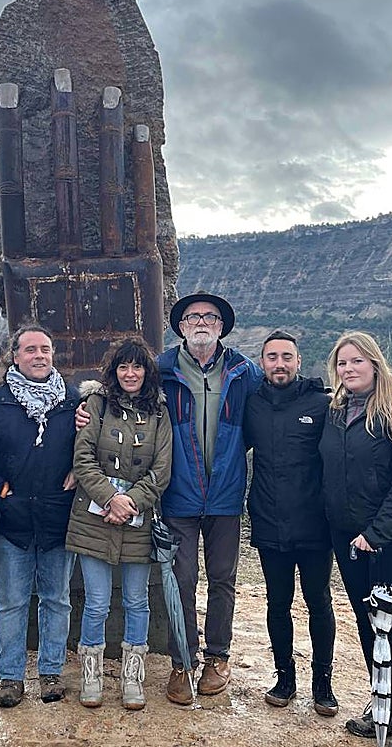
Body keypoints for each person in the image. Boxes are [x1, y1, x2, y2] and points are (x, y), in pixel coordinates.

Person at [318, 331, 392, 747]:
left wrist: (376, 533)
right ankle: (379, 702)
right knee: (369, 626)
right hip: (348, 539)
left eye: (357, 362)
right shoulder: (335, 411)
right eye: (342, 363)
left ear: (376, 365)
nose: (349, 369)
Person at [157, 290, 261, 704]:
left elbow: (281, 396)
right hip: (177, 496)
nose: (201, 322)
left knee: (223, 580)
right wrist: (86, 406)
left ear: (221, 327)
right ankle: (182, 661)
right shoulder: (161, 370)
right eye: (193, 316)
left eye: (210, 317)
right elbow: (117, 391)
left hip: (225, 496)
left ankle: (218, 658)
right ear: (181, 327)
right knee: (180, 581)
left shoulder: (244, 371)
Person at [0, 324, 80, 708]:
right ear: (14, 356)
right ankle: (10, 677)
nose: (39, 355)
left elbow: (87, 446)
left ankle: (51, 672)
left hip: (57, 517)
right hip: (11, 520)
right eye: (30, 349)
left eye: (45, 349)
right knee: (12, 602)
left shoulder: (71, 402)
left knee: (57, 599)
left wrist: (79, 472)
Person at [67, 338, 172, 711]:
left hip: (138, 522)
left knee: (136, 602)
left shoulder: (160, 414)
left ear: (147, 372)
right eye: (124, 367)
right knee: (95, 603)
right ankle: (91, 675)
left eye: (138, 367)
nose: (131, 374)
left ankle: (132, 677)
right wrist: (111, 499)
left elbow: (161, 470)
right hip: (93, 519)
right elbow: (83, 458)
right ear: (114, 371)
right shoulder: (95, 405)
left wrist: (130, 503)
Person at [243, 330, 337, 714]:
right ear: (261, 363)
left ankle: (323, 683)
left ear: (299, 362)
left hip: (315, 525)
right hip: (269, 521)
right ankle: (284, 678)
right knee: (277, 603)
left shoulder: (322, 403)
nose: (279, 364)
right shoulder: (252, 404)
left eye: (286, 357)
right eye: (271, 357)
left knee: (319, 603)